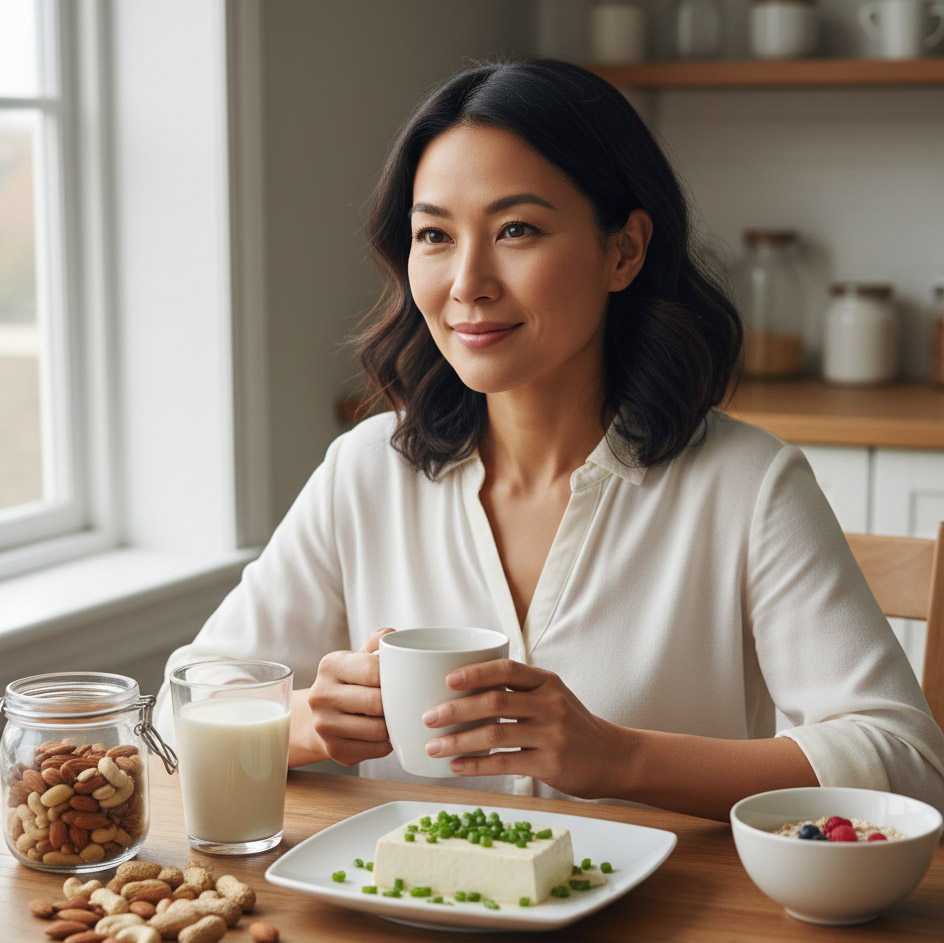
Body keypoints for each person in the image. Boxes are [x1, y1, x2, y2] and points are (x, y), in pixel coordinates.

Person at [155, 58, 944, 820]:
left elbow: (907, 762)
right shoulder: (365, 472)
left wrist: (617, 758)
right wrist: (305, 721)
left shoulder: (747, 483)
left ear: (623, 250)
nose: (467, 282)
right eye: (434, 236)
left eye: (517, 229)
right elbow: (180, 704)